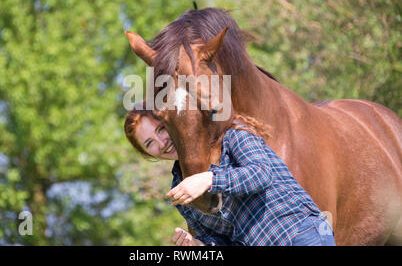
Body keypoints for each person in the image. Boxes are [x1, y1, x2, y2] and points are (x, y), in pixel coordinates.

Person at [124, 104, 335, 246]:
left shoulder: (230, 135)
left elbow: (261, 174)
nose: (162, 143)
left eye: (161, 129)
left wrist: (209, 179)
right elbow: (224, 241)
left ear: (174, 122)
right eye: (149, 143)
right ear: (146, 154)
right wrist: (199, 245)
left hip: (300, 234)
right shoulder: (182, 194)